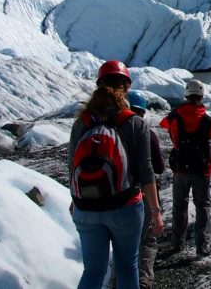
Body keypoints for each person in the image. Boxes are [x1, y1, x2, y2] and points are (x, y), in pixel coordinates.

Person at [69, 60, 164, 289]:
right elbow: (146, 171)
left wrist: (75, 201)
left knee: (93, 271)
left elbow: (72, 165)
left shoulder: (81, 123)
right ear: (126, 87)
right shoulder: (134, 122)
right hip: (125, 207)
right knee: (126, 266)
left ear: (99, 85)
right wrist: (155, 211)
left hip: (86, 207)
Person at [159, 79, 211, 257]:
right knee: (202, 207)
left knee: (180, 206)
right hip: (202, 170)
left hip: (180, 169)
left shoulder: (173, 117)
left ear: (186, 95)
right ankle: (202, 246)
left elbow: (163, 124)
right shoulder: (209, 122)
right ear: (201, 96)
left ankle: (177, 243)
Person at [126, 91, 165, 289]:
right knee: (147, 239)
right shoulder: (147, 133)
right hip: (143, 193)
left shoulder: (109, 130)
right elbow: (158, 168)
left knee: (123, 242)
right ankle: (143, 281)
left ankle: (117, 280)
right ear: (142, 112)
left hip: (118, 195)